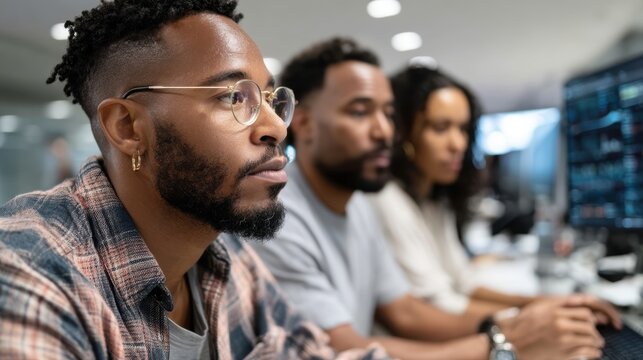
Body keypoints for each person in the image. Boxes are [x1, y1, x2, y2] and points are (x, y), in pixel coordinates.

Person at [0, 2, 388, 359]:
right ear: (128, 127)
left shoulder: (226, 255)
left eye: (270, 100)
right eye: (234, 97)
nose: (275, 128)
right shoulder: (30, 275)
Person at [248, 37, 621, 360]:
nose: (384, 131)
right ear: (304, 123)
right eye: (361, 111)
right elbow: (345, 349)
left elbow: (406, 311)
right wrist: (507, 341)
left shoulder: (358, 202)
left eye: (389, 113)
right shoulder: (275, 218)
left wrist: (523, 323)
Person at [370, 64, 544, 317]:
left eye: (463, 129)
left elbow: (463, 281)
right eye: (440, 128)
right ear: (403, 133)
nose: (458, 144)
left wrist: (540, 304)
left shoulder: (433, 199)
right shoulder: (386, 199)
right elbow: (436, 303)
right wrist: (533, 318)